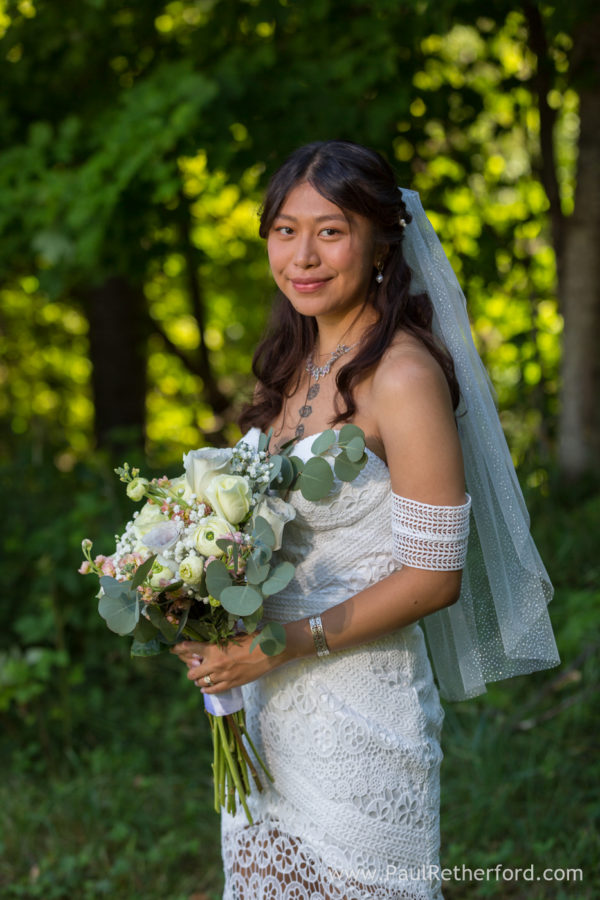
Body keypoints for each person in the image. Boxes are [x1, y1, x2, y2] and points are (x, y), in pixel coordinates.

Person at [172, 140, 559, 900]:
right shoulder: (292, 369)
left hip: (361, 716)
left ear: (381, 240)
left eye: (331, 229)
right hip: (265, 712)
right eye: (286, 230)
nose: (303, 256)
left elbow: (434, 578)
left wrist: (278, 645)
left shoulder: (405, 376)